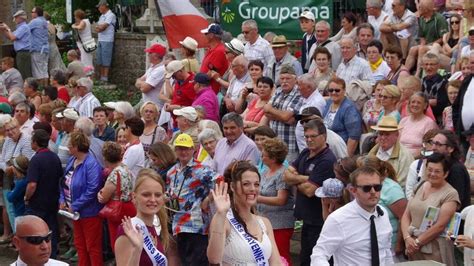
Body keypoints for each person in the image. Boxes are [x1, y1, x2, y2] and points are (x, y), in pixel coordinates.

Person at [310, 167, 394, 265]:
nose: (373, 192)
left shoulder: (383, 214)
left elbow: (385, 251)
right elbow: (319, 255)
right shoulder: (338, 219)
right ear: (353, 190)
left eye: (377, 187)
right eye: (366, 188)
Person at [283, 119, 337, 266]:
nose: (309, 140)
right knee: (304, 258)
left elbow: (309, 191)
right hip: (306, 219)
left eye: (313, 136)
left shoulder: (327, 160)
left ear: (324, 136)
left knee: (315, 259)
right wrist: (306, 178)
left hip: (318, 220)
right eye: (306, 136)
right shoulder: (306, 152)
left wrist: (296, 179)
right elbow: (286, 175)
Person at [207, 160, 282, 265]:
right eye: (246, 184)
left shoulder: (265, 223)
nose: (252, 189)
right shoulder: (223, 220)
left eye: (256, 184)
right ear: (232, 186)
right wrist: (221, 213)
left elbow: (276, 262)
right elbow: (214, 259)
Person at [166, 133, 221, 265]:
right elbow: (169, 193)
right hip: (178, 224)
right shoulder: (172, 172)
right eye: (180, 148)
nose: (183, 152)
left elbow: (221, 181)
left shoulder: (201, 169)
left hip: (196, 225)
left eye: (186, 148)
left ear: (193, 149)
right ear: (175, 150)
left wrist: (208, 199)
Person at [400, 153, 459, 264]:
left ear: (445, 174)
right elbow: (406, 215)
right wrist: (407, 238)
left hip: (434, 248)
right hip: (412, 245)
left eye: (437, 171)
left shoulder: (450, 193)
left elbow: (440, 225)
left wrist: (417, 242)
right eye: (429, 170)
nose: (432, 174)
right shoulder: (420, 185)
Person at [59, 131, 104, 265]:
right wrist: (62, 200)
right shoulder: (72, 160)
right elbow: (63, 182)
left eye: (70, 146)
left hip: (89, 213)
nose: (68, 148)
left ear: (77, 147)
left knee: (92, 247)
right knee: (80, 245)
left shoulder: (91, 165)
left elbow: (92, 189)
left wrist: (75, 205)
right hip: (75, 213)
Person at [114, 169, 172, 266]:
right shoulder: (128, 230)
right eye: (146, 195)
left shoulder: (154, 227)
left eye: (157, 195)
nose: (153, 200)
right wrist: (137, 249)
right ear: (134, 197)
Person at [357, 156, 407, 257]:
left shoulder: (391, 189)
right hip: (370, 244)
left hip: (390, 247)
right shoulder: (363, 186)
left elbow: (404, 217)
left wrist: (399, 244)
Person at [23, 129, 62, 258]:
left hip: (38, 203)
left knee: (36, 232)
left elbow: (32, 184)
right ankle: (52, 256)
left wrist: (27, 197)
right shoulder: (54, 157)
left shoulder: (36, 160)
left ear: (35, 142)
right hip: (53, 200)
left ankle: (38, 257)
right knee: (52, 231)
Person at [257, 138, 295, 264]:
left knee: (280, 257)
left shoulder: (282, 174)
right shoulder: (265, 172)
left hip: (280, 224)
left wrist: (258, 199)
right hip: (265, 222)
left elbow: (281, 200)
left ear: (273, 159)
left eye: (264, 155)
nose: (261, 157)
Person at [97, 141, 136, 249]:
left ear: (105, 158)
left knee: (118, 243)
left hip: (118, 211)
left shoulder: (114, 174)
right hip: (130, 208)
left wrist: (99, 193)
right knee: (130, 242)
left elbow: (103, 197)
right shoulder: (125, 168)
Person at [264, 64, 303, 161]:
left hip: (289, 146)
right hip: (274, 144)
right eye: (282, 79)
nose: (284, 81)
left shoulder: (299, 93)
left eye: (288, 78)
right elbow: (266, 112)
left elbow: (285, 116)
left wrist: (272, 111)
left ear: (295, 79)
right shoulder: (278, 91)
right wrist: (282, 116)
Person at [369, 116, 414, 187]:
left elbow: (401, 184)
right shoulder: (373, 152)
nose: (383, 138)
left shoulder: (405, 156)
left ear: (397, 135)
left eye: (387, 134)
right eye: (381, 134)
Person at [431, 130, 471, 210]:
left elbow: (455, 203)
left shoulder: (456, 170)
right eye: (433, 143)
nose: (433, 148)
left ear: (451, 149)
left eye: (438, 144)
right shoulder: (436, 165)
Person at [322, 77, 362, 156]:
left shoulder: (350, 109)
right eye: (331, 90)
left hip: (340, 151)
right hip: (327, 150)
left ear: (344, 91)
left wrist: (345, 159)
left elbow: (354, 137)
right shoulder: (329, 102)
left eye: (337, 90)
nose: (333, 92)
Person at [399, 92, 439, 156]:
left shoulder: (429, 123)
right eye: (413, 102)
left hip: (417, 158)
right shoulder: (403, 121)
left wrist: (410, 157)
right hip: (400, 156)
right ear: (409, 104)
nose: (415, 105)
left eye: (419, 102)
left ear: (425, 106)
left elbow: (429, 147)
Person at [405, 129, 438, 199]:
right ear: (425, 144)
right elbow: (409, 191)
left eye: (438, 143)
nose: (434, 147)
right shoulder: (416, 165)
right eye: (432, 142)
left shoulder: (446, 165)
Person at [0, 10, 32, 79]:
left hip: (24, 53)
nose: (14, 19)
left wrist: (7, 28)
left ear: (21, 18)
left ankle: (29, 88)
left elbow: (12, 38)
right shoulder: (20, 28)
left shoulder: (24, 27)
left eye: (16, 17)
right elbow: (9, 36)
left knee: (25, 73)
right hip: (21, 53)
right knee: (22, 72)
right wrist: (3, 30)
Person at [200, 23, 229, 94]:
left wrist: (197, 80)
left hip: (212, 91)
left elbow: (211, 74)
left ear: (211, 35)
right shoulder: (212, 49)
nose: (204, 36)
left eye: (206, 34)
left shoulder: (219, 51)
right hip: (207, 90)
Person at [135, 43, 167, 109]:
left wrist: (142, 83)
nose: (148, 55)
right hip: (146, 104)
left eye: (150, 53)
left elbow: (144, 89)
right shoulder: (152, 67)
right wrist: (143, 83)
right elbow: (137, 82)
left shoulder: (160, 70)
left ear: (155, 56)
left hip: (155, 107)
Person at [421, 53, 449, 124]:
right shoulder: (422, 81)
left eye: (432, 64)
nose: (428, 67)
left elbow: (441, 104)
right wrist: (430, 101)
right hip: (423, 117)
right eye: (426, 64)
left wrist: (424, 102)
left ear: (438, 66)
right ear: (422, 66)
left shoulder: (444, 82)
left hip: (438, 120)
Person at [95, 0, 116, 83]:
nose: (99, 9)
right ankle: (101, 77)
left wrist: (99, 27)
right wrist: (99, 27)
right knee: (100, 59)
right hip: (100, 39)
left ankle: (105, 77)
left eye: (99, 7)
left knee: (106, 59)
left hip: (107, 40)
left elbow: (102, 27)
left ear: (104, 6)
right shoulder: (102, 16)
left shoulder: (110, 15)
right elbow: (97, 28)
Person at [28, 6, 49, 86]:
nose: (31, 13)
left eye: (32, 12)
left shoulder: (35, 21)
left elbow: (25, 30)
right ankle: (46, 90)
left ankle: (40, 90)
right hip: (45, 48)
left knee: (38, 72)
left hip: (37, 49)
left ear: (36, 13)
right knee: (44, 71)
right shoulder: (44, 21)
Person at [122, 117, 145, 181]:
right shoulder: (129, 145)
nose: (124, 131)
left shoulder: (134, 149)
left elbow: (122, 170)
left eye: (125, 128)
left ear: (129, 129)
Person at [7, 155, 28, 220]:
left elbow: (10, 198)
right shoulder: (27, 178)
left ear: (15, 168)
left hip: (20, 214)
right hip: (25, 213)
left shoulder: (21, 183)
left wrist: (8, 192)